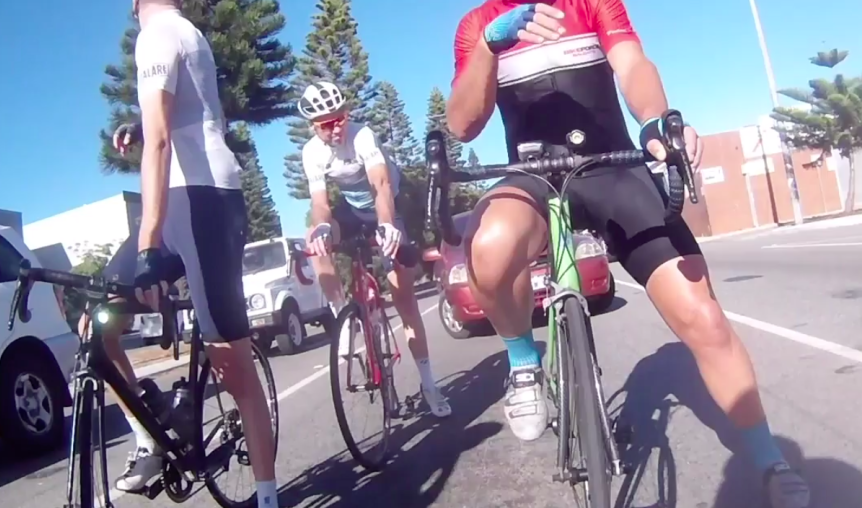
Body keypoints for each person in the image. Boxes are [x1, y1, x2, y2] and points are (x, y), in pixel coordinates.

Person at [446, 1, 811, 507]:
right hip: (532, 178)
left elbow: (633, 65)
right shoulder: (476, 24)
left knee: (702, 316)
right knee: (487, 247)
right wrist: (489, 45)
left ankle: (769, 458)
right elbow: (462, 124)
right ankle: (524, 361)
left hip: (611, 168)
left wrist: (656, 121)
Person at [86, 1, 279, 506]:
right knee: (97, 322)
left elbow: (162, 139)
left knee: (231, 362)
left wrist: (148, 239)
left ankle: (266, 495)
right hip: (177, 201)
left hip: (203, 197)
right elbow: (175, 115)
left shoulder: (160, 32)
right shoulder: (177, 34)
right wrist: (139, 121)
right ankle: (150, 436)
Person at [298, 81, 453, 418]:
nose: (336, 127)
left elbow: (381, 186)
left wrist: (387, 226)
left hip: (389, 205)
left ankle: (429, 385)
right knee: (315, 235)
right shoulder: (312, 152)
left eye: (341, 117)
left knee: (403, 297)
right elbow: (320, 203)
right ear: (314, 126)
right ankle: (342, 312)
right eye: (327, 123)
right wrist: (323, 226)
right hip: (352, 211)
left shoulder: (363, 135)